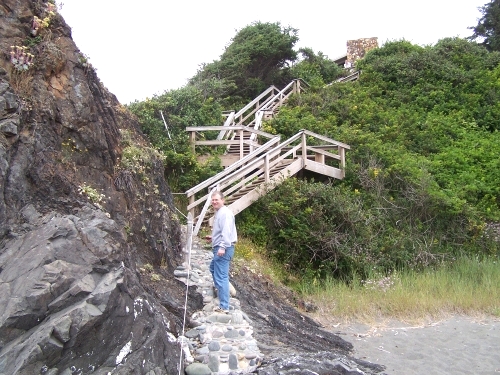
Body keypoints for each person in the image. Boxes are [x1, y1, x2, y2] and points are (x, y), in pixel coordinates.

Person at [205, 190, 237, 313]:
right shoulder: (219, 213)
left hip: (224, 248)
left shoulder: (225, 214)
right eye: (212, 200)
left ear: (223, 200)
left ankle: (224, 306)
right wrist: (213, 238)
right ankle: (223, 290)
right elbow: (222, 232)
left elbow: (227, 232)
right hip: (220, 245)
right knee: (213, 269)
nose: (214, 202)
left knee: (221, 276)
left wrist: (222, 247)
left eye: (216, 199)